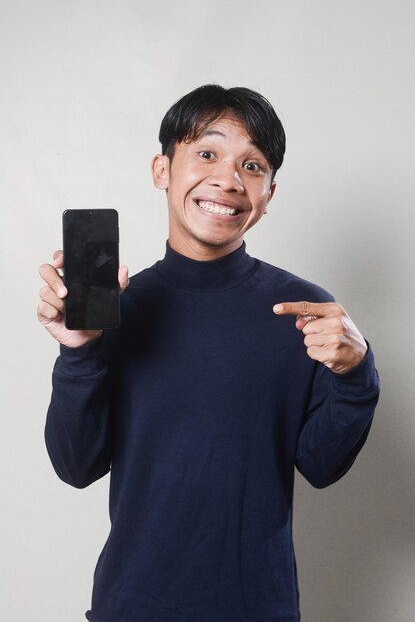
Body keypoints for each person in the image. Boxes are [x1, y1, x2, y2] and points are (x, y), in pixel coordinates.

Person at [38, 84, 380, 622]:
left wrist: (356, 374)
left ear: (268, 195)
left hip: (258, 608)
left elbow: (323, 465)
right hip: (131, 606)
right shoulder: (117, 310)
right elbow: (76, 465)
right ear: (161, 169)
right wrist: (79, 352)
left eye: (253, 165)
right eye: (206, 152)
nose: (228, 178)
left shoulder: (305, 311)